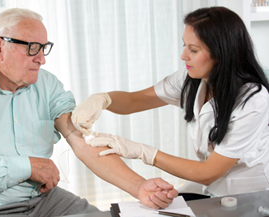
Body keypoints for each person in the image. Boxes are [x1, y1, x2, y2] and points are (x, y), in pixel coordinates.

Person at [0, 8, 178, 217]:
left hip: (44, 202)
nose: (42, 59)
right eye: (32, 48)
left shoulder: (47, 84)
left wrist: (138, 186)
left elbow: (83, 143)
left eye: (44, 48)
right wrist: (28, 167)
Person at [72, 6, 269, 200]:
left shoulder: (253, 100)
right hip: (210, 188)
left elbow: (209, 172)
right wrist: (103, 99)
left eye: (193, 49)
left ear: (222, 53)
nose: (184, 56)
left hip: (248, 195)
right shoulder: (192, 78)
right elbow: (134, 101)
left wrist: (143, 152)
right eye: (184, 46)